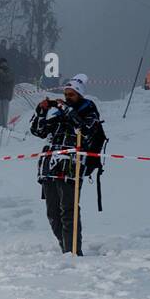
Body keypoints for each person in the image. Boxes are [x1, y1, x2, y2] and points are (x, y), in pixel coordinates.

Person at [29, 74, 103, 256]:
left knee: (68, 211)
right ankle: (65, 247)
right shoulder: (58, 113)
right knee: (53, 213)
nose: (67, 98)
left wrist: (67, 110)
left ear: (79, 95)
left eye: (71, 95)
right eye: (66, 94)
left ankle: (73, 252)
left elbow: (85, 131)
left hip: (71, 167)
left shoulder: (89, 110)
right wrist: (41, 111)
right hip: (50, 167)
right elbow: (38, 131)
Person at [0, 57, 15, 127]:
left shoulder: (9, 71)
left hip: (6, 95)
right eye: (2, 63)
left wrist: (1, 73)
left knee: (4, 113)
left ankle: (4, 126)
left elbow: (7, 79)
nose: (3, 64)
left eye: (4, 63)